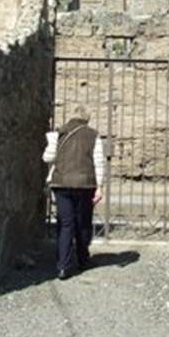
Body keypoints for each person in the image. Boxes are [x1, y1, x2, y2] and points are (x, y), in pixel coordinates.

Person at [43, 105, 105, 280]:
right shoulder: (93, 135)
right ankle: (83, 259)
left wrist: (51, 142)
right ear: (87, 119)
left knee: (65, 224)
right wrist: (100, 187)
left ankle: (63, 266)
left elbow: (47, 158)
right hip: (85, 185)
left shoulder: (59, 133)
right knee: (83, 222)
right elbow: (98, 163)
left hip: (61, 183)